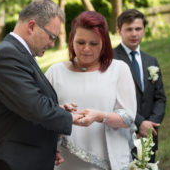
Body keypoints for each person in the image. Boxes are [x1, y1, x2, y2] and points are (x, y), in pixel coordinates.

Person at [0, 0, 81, 170]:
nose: (52, 44)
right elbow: (35, 107)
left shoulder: (20, 54)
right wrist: (71, 118)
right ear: (31, 26)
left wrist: (47, 148)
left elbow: (21, 106)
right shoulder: (6, 55)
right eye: (51, 36)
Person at [45, 11, 137, 170]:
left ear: (104, 43)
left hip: (109, 161)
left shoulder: (119, 70)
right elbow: (42, 115)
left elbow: (128, 118)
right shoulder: (55, 72)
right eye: (80, 42)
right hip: (66, 161)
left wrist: (100, 116)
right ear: (71, 40)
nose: (86, 49)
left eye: (94, 44)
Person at [114, 9, 166, 163]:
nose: (134, 34)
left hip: (149, 135)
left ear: (143, 30)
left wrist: (150, 126)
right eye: (129, 29)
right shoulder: (111, 60)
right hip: (123, 134)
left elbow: (160, 98)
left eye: (138, 29)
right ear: (119, 31)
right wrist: (139, 123)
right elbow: (113, 98)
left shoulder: (151, 61)